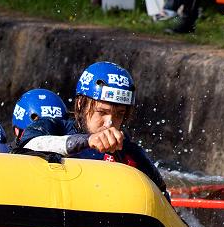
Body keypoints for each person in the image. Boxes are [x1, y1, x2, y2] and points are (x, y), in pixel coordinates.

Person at [13, 61, 168, 197]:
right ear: (81, 104)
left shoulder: (129, 151)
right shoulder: (55, 126)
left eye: (119, 114)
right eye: (102, 112)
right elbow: (27, 145)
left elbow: (162, 196)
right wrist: (87, 141)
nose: (110, 123)